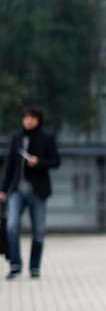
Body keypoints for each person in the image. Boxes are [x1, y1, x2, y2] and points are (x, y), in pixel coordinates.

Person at [0, 106, 60, 279]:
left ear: (38, 120)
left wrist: (39, 162)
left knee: (38, 231)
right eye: (26, 117)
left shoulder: (47, 138)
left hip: (38, 191)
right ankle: (15, 265)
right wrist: (3, 189)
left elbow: (56, 162)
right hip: (16, 190)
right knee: (11, 226)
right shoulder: (17, 138)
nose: (28, 121)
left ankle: (34, 267)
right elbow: (10, 165)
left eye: (32, 118)